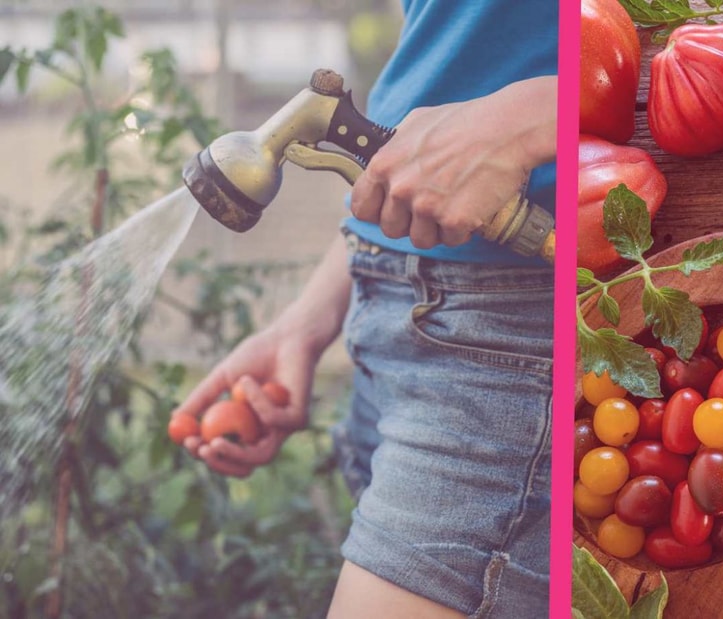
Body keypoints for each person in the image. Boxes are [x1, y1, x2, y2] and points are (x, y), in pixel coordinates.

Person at [172, 1, 558, 617]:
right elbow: (453, 52)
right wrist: (310, 319)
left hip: (509, 341)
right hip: (389, 316)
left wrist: (533, 115)